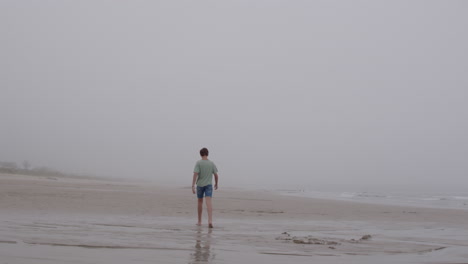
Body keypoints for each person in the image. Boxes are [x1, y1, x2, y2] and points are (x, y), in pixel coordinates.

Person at [192, 147, 219, 228]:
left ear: (200, 154)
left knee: (200, 202)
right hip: (208, 185)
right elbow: (216, 175)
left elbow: (195, 174)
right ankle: (210, 221)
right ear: (207, 154)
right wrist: (216, 184)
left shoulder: (198, 163)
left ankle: (200, 221)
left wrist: (193, 185)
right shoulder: (211, 163)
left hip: (200, 185)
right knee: (209, 203)